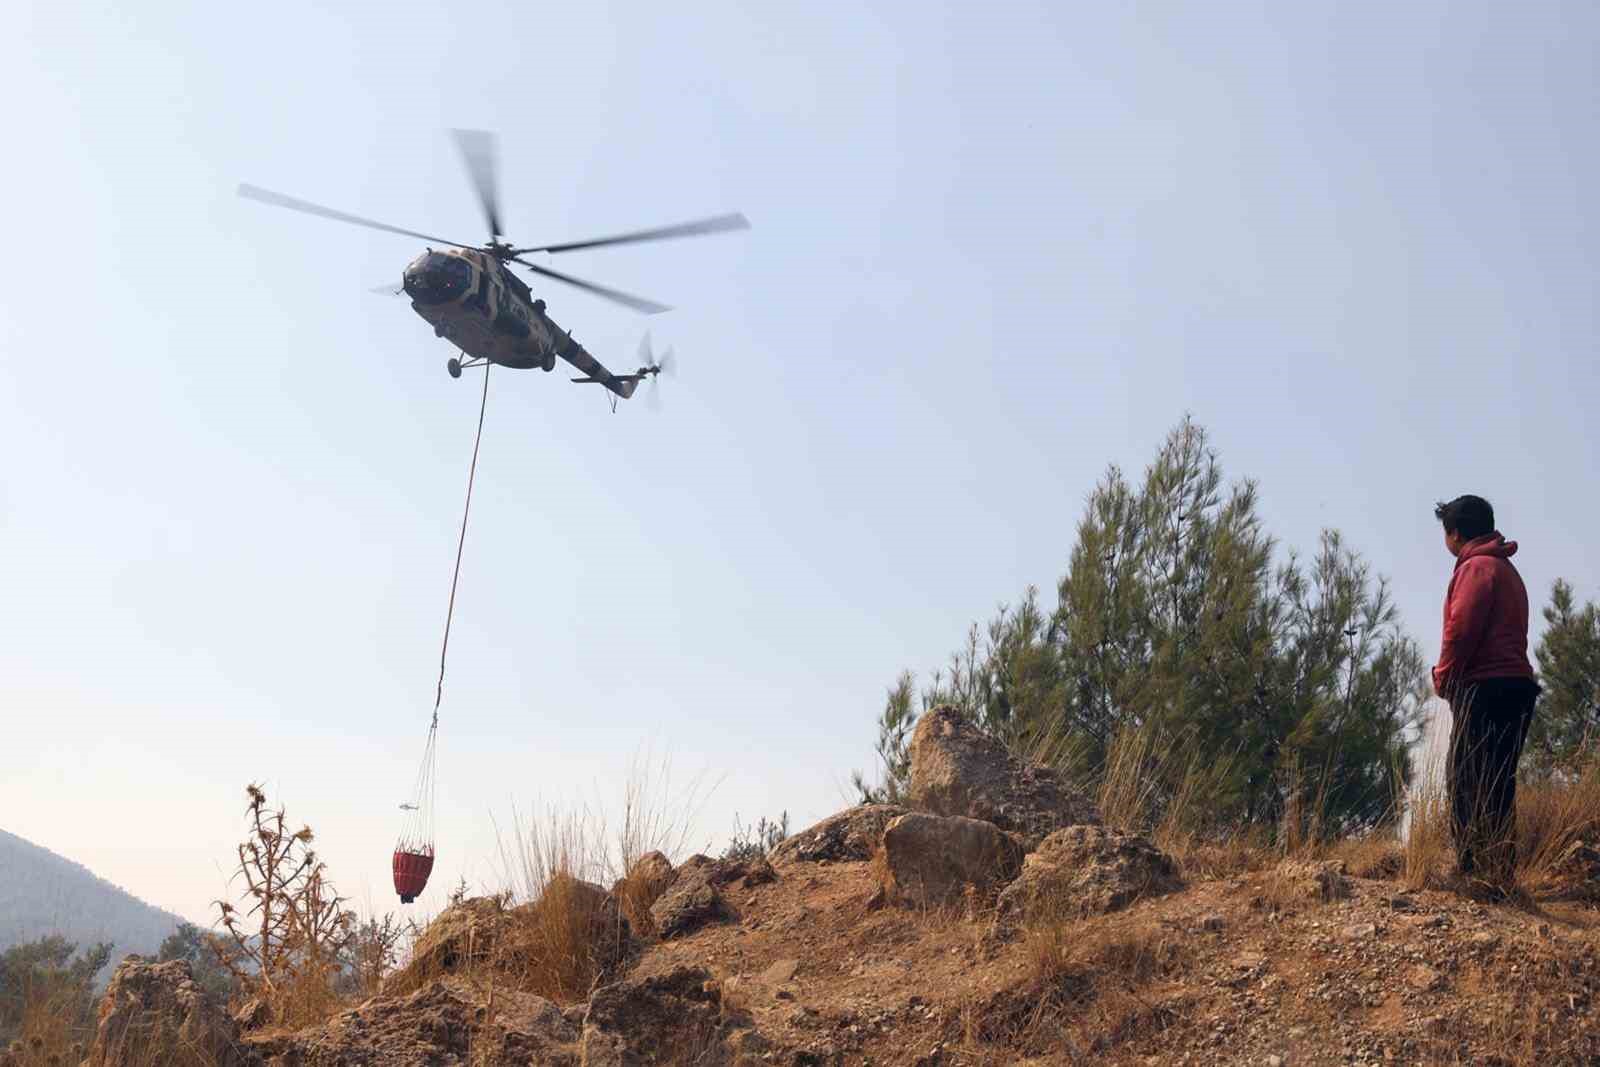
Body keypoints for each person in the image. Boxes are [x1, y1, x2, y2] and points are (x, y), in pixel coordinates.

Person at [1432, 494, 1540, 890]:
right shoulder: (1506, 569)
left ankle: (1472, 873)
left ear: (1455, 534)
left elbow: (1461, 630)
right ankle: (1499, 874)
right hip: (1517, 687)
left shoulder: (1475, 568)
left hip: (1485, 688)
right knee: (1498, 783)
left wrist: (1443, 676)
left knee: (1465, 779)